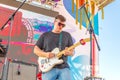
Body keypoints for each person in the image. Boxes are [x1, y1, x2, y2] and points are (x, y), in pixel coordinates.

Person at [34, 14, 74, 80]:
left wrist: (69, 53)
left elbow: (72, 52)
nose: (61, 26)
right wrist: (46, 54)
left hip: (64, 67)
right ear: (54, 22)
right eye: (59, 24)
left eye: (63, 25)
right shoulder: (45, 35)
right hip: (48, 68)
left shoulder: (67, 35)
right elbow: (35, 50)